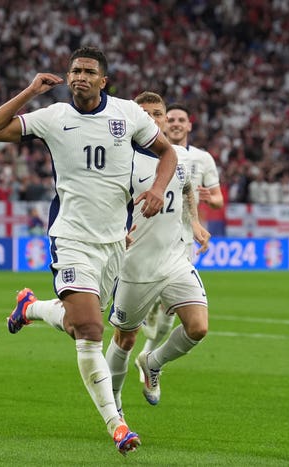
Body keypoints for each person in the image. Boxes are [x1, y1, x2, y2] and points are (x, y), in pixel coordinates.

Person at [0, 46, 178, 455]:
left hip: (112, 243)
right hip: (69, 237)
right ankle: (117, 424)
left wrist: (157, 189)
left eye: (88, 71)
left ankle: (30, 307)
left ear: (104, 80)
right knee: (89, 329)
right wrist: (32, 90)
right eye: (74, 71)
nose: (79, 77)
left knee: (75, 323)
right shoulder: (54, 117)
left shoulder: (128, 114)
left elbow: (168, 152)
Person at [105, 92, 210, 413]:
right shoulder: (120, 159)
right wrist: (114, 232)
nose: (152, 119)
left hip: (175, 259)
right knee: (125, 339)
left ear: (165, 119)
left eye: (157, 114)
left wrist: (194, 222)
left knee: (198, 328)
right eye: (145, 113)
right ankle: (114, 403)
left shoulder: (179, 156)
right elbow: (105, 202)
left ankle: (153, 362)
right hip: (136, 267)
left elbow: (188, 189)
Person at [136, 102, 223, 378]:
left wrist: (206, 204)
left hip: (183, 240)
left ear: (189, 125)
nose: (175, 123)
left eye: (180, 120)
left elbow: (218, 198)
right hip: (147, 236)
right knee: (143, 311)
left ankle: (149, 358)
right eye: (170, 118)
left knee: (170, 318)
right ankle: (145, 319)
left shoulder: (202, 159)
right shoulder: (145, 152)